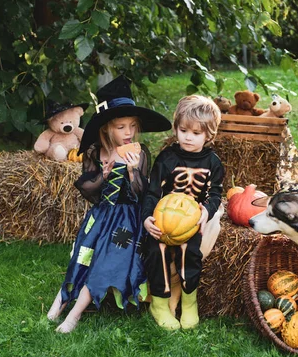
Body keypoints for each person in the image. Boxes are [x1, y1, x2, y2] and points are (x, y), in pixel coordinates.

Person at [47, 75, 171, 333]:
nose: (128, 133)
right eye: (121, 127)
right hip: (101, 218)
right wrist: (103, 176)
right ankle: (61, 300)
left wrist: (133, 171)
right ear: (106, 129)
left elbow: (142, 193)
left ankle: (75, 315)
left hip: (127, 222)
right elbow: (87, 190)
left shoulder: (140, 152)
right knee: (84, 256)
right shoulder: (95, 153)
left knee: (107, 258)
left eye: (132, 126)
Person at [142, 95, 225, 330]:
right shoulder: (167, 158)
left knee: (191, 253)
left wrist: (206, 212)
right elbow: (151, 192)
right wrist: (147, 218)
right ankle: (159, 303)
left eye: (196, 133)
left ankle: (189, 304)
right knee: (155, 249)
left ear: (209, 135)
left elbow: (215, 194)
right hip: (162, 219)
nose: (188, 137)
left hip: (191, 221)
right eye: (183, 130)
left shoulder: (213, 163)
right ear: (176, 128)